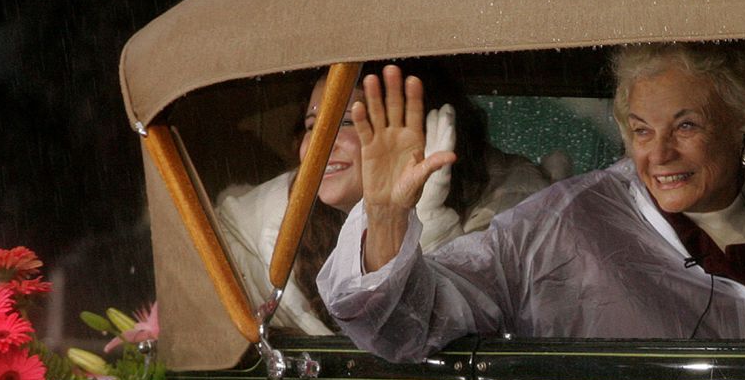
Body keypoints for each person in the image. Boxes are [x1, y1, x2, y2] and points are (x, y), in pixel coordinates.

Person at [317, 44, 745, 359]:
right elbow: (413, 322)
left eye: (686, 126)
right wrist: (388, 216)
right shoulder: (564, 224)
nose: (659, 154)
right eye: (640, 130)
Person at [215, 62, 549, 333]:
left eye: (346, 121)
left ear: (416, 127)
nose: (319, 146)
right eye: (312, 126)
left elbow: (438, 332)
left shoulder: (508, 209)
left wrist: (425, 219)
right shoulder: (264, 225)